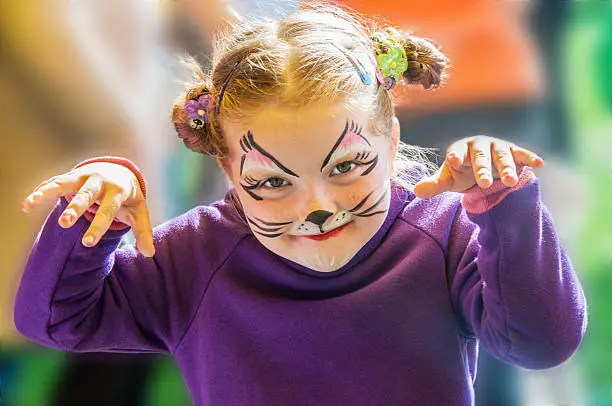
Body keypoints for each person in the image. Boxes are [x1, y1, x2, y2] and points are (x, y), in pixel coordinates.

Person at [14, 4, 587, 405]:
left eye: (346, 168)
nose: (317, 207)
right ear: (228, 168)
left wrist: (504, 208)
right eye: (270, 182)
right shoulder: (194, 254)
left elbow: (542, 341)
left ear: (390, 144)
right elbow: (56, 322)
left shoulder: (445, 231)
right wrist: (94, 216)